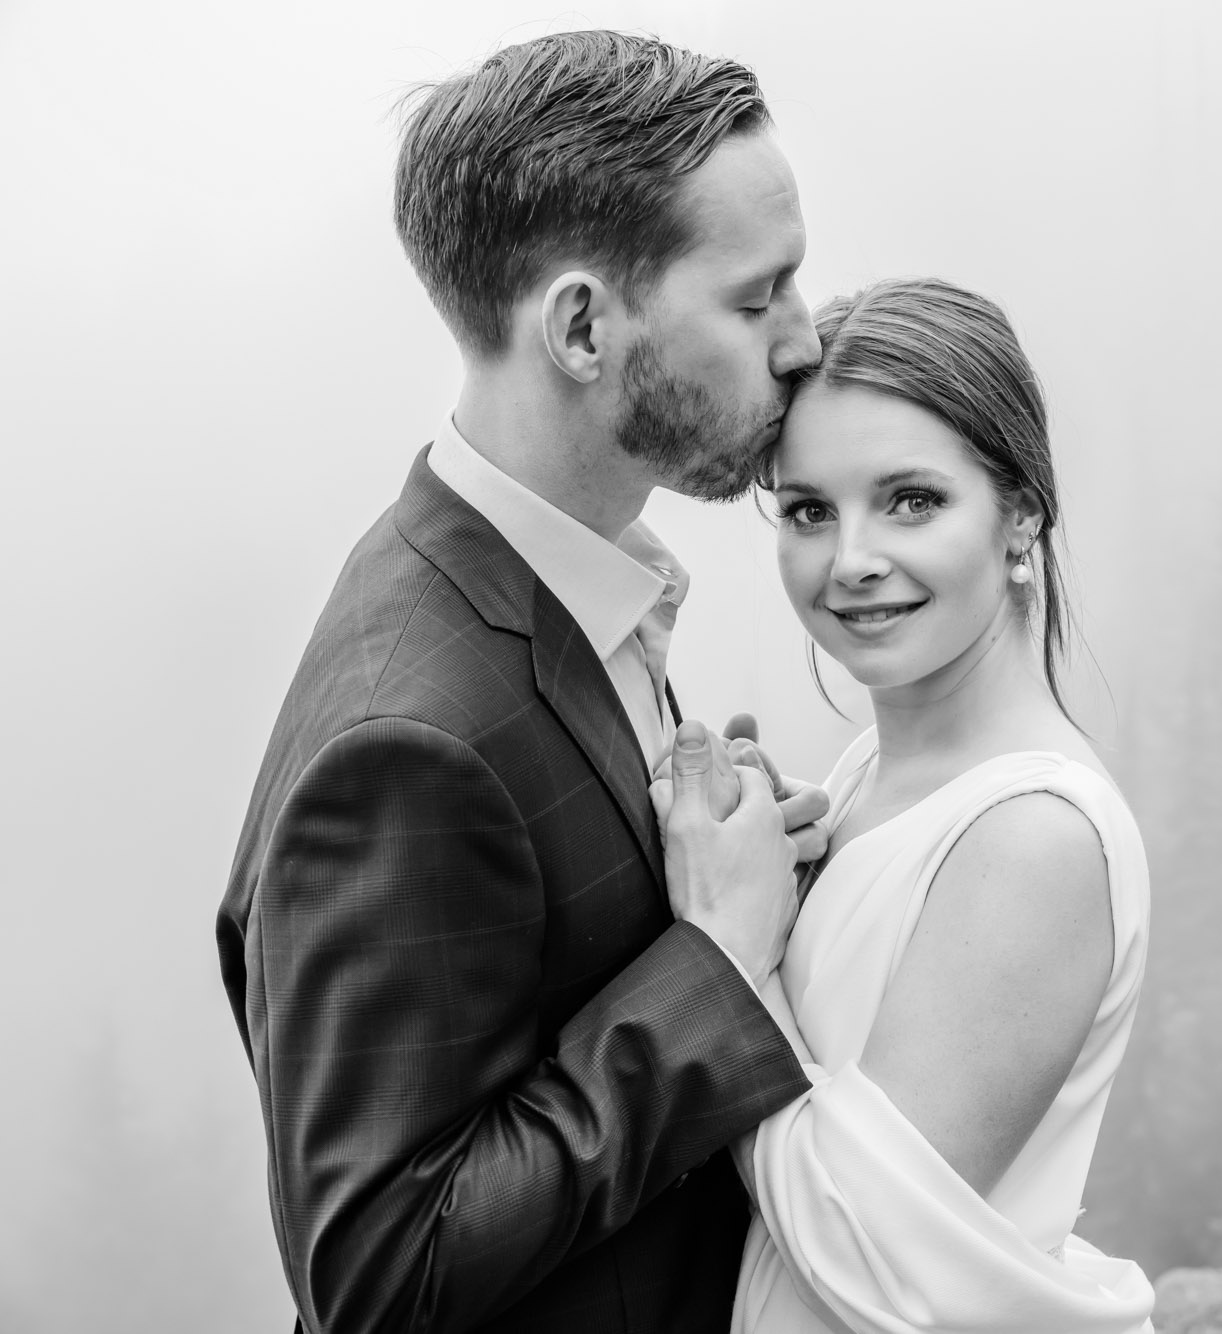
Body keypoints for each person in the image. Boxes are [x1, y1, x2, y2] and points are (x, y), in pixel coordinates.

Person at [216, 32, 832, 1333]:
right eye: (755, 296)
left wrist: (718, 868)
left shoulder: (558, 572)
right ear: (581, 326)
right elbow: (381, 1272)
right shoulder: (404, 743)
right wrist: (718, 959)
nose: (803, 339)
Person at [726, 278, 1157, 1333]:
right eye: (809, 510)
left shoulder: (1033, 835)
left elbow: (863, 1248)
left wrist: (724, 952)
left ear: (1019, 513)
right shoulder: (866, 772)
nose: (852, 560)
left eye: (911, 499)